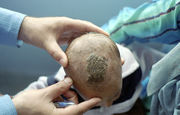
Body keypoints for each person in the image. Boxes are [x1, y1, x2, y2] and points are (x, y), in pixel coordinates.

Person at [0, 7, 110, 115]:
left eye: (115, 95)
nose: (108, 104)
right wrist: (14, 108)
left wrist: (23, 26)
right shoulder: (49, 85)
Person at [24, 32, 164, 115]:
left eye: (115, 94)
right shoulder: (62, 86)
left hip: (130, 108)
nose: (107, 105)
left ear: (121, 64)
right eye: (93, 101)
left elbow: (162, 63)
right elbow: (37, 91)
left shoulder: (133, 65)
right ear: (70, 82)